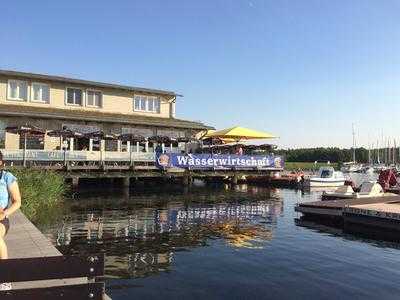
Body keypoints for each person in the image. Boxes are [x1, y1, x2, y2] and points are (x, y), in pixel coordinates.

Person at [0, 151, 22, 290]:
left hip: (1, 219)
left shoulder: (7, 177)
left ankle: (4, 278)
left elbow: (17, 201)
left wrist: (5, 213)